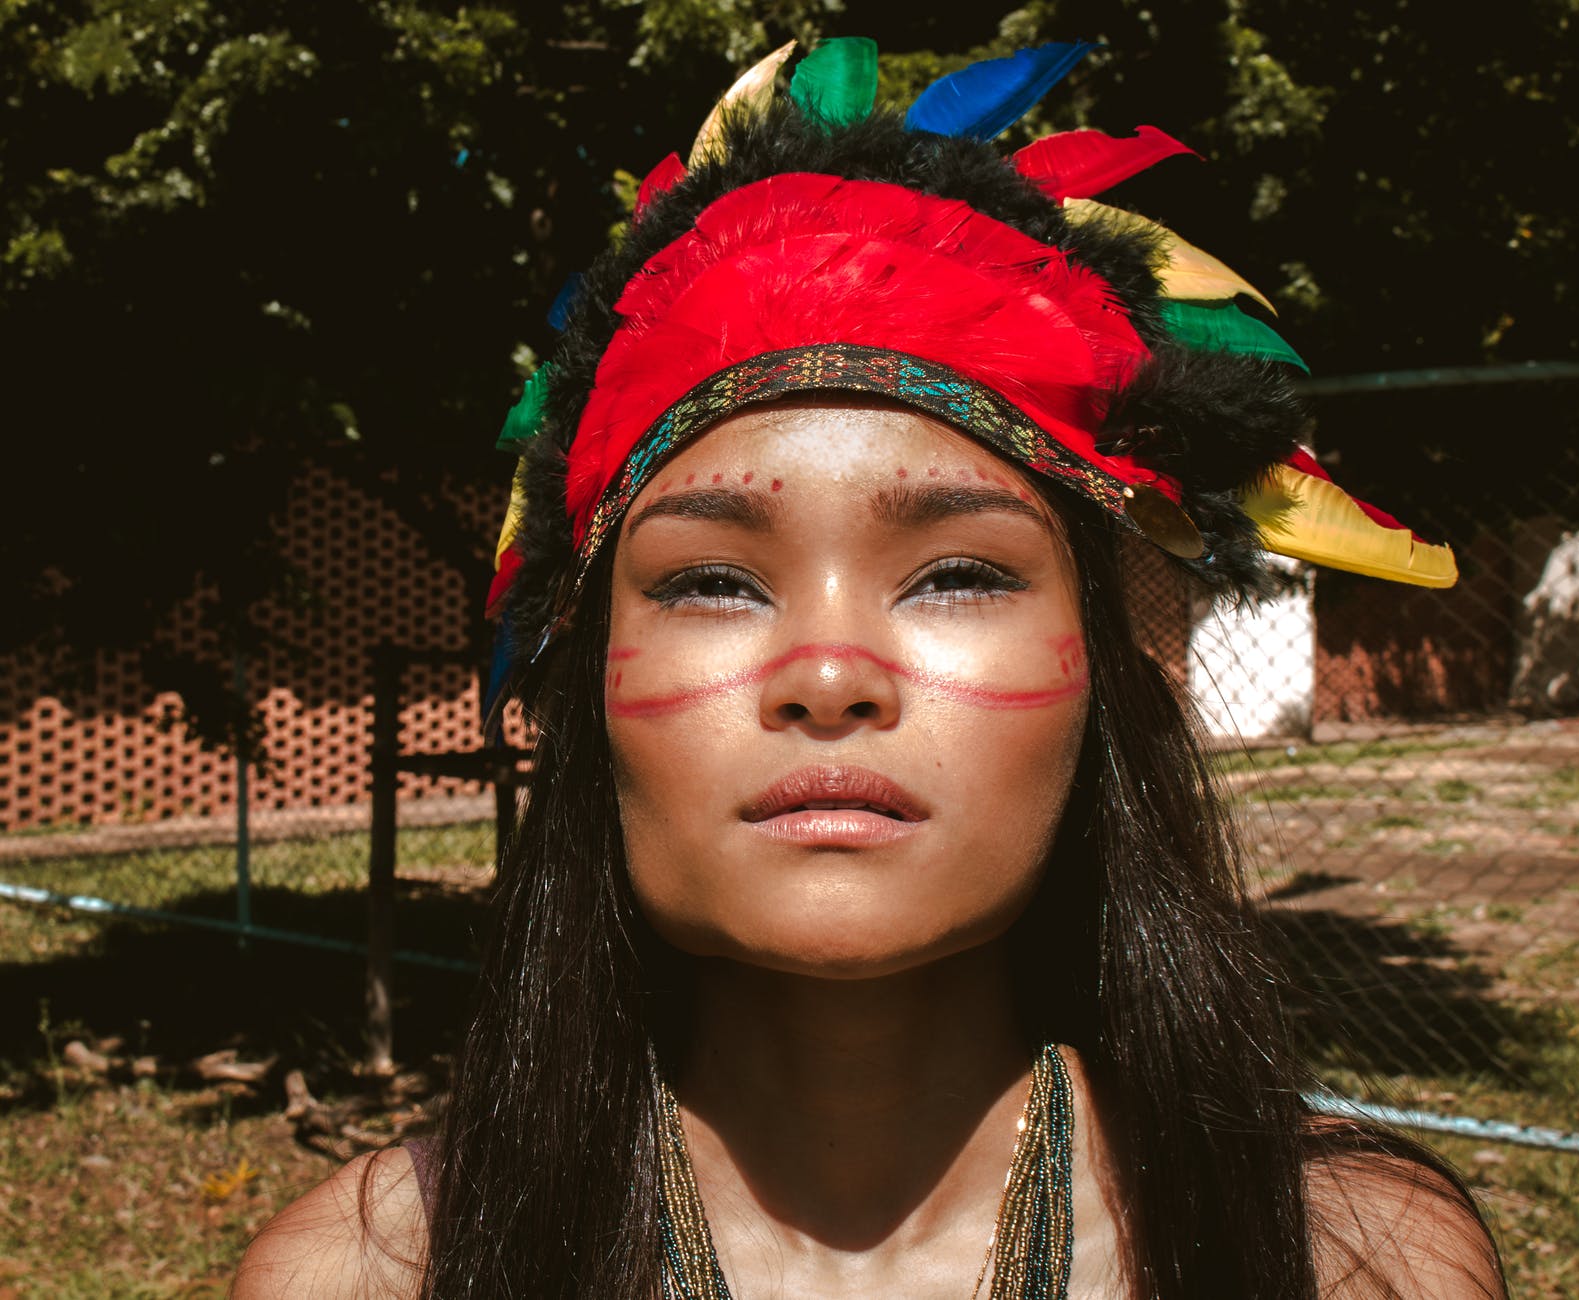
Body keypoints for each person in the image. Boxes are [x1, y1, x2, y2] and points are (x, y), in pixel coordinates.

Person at [234, 39, 1502, 1299]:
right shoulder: (365, 1273)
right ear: (590, 695)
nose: (830, 674)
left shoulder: (1354, 1261)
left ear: (1101, 681)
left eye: (959, 573)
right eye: (711, 581)